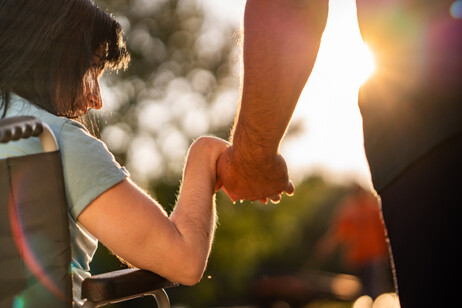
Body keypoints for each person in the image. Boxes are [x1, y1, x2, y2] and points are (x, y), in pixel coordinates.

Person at [216, 0, 461, 307]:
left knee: (376, 292)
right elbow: (338, 233)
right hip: (426, 138)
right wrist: (324, 249)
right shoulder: (353, 208)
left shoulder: (365, 207)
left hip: (431, 130)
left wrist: (254, 158)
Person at [0, 0, 228, 306]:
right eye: (92, 70)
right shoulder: (50, 139)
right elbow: (184, 261)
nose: (96, 100)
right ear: (57, 57)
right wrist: (205, 153)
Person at [315, 185, 391, 299]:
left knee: (377, 291)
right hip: (358, 258)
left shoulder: (374, 208)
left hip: (375, 256)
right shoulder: (349, 211)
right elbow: (338, 232)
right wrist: (326, 246)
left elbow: (385, 231)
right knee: (363, 293)